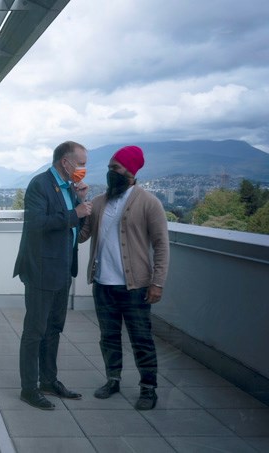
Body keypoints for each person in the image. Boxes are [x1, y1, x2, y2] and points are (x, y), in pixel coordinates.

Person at [79, 145, 169, 410]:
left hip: (136, 287)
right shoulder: (98, 202)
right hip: (103, 284)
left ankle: (148, 388)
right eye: (108, 168)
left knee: (141, 339)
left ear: (130, 171)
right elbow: (82, 236)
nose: (110, 173)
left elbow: (161, 244)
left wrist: (158, 282)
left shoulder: (149, 202)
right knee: (108, 337)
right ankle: (113, 379)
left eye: (115, 168)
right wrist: (78, 204)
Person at [13, 141, 91, 410]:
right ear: (65, 162)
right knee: (35, 331)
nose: (83, 169)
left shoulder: (69, 187)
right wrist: (75, 213)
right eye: (80, 163)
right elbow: (36, 224)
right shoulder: (40, 184)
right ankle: (28, 389)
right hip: (41, 271)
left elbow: (73, 230)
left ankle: (49, 380)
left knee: (54, 329)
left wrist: (79, 203)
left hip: (62, 270)